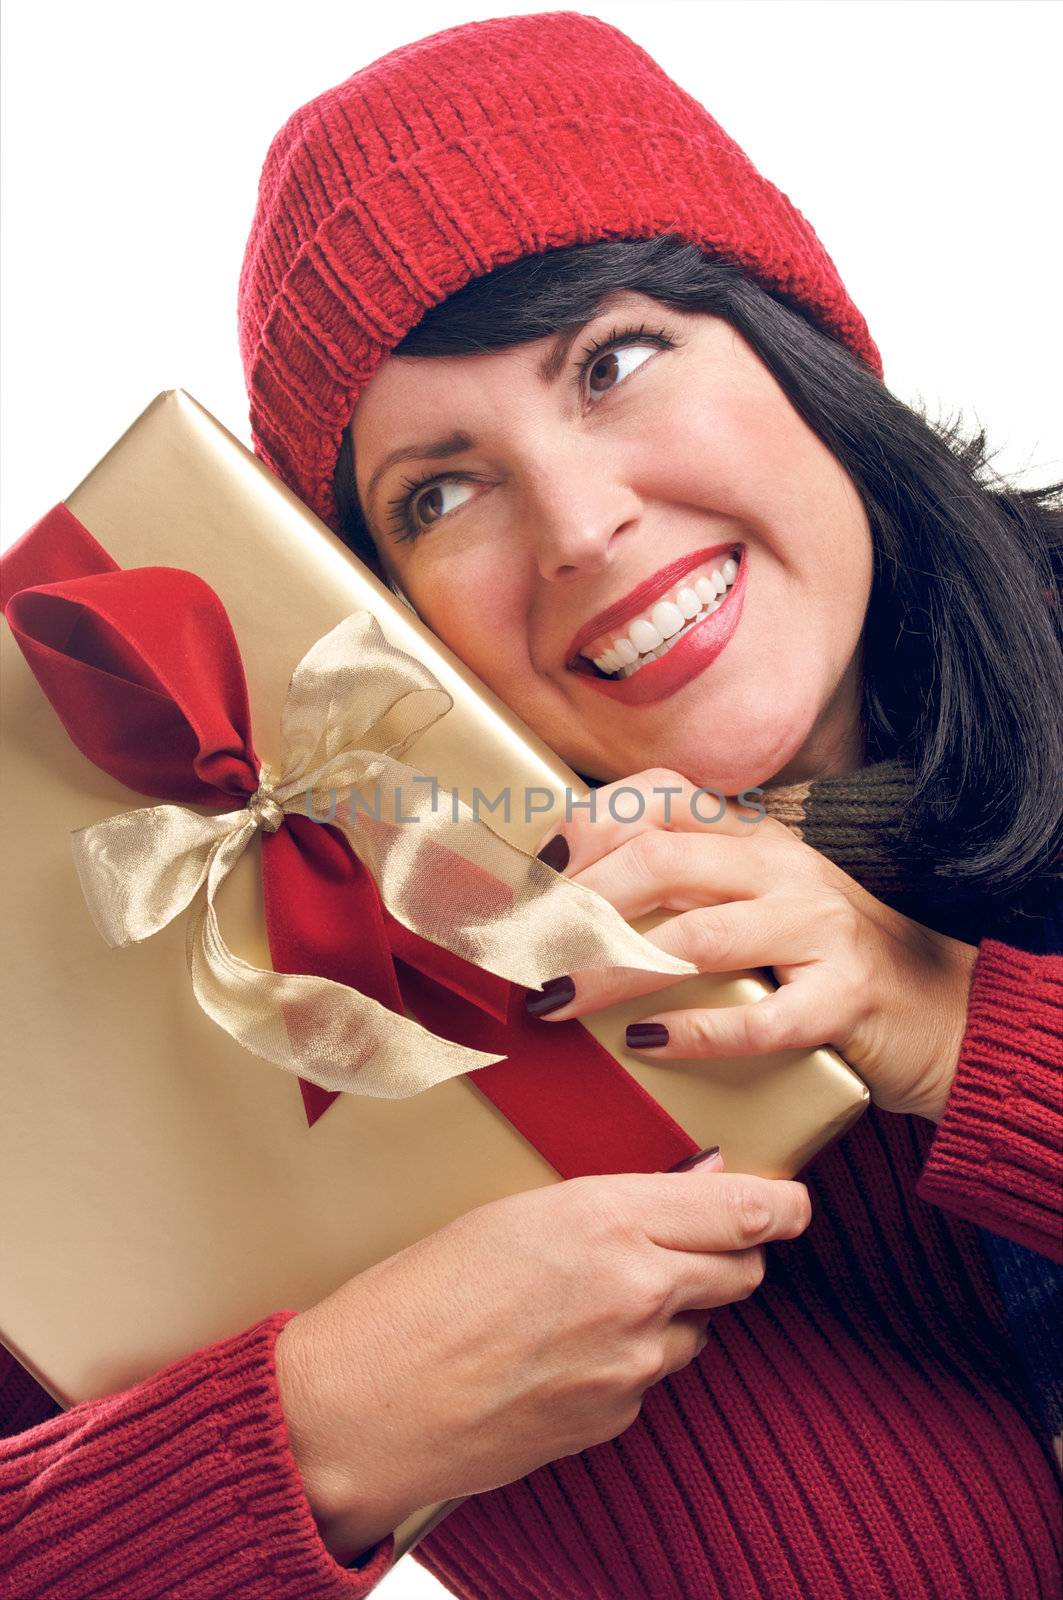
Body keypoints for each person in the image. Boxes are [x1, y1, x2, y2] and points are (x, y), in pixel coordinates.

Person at [2, 12, 1061, 1598]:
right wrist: (327, 1429)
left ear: (800, 347)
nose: (579, 525)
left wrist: (951, 1026)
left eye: (615, 362)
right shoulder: (353, 1033)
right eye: (438, 489)